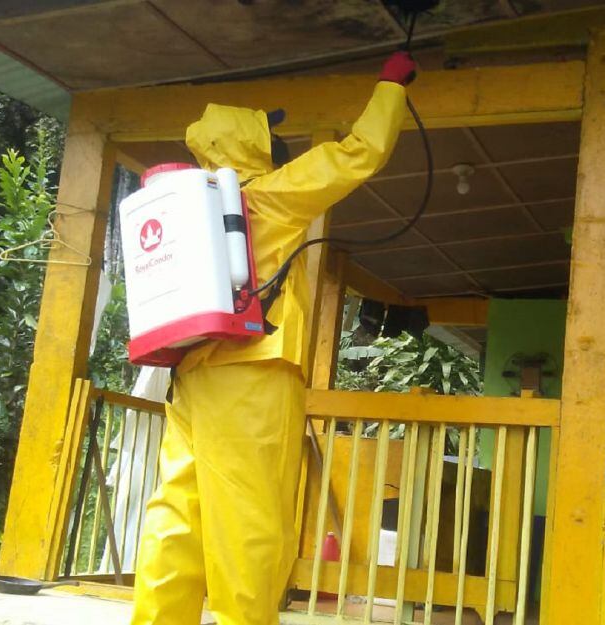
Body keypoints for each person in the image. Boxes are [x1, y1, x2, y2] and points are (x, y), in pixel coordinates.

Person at [131, 51, 417, 625]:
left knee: (176, 516)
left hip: (189, 376)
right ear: (252, 144)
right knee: (251, 519)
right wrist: (391, 87)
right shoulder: (267, 196)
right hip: (253, 377)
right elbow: (358, 154)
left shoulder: (188, 205)